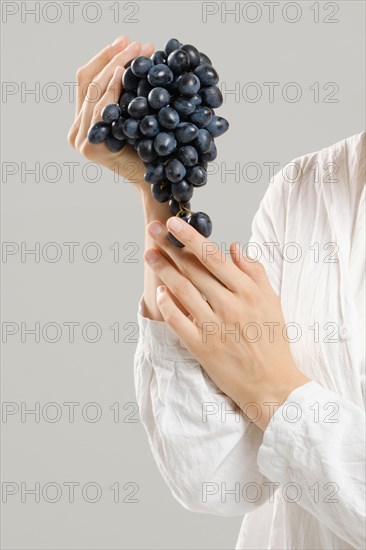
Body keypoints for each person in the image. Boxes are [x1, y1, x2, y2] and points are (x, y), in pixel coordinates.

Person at [68, 36, 365, 550]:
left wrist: (274, 392)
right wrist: (159, 190)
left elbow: (271, 408)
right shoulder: (305, 186)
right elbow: (218, 477)